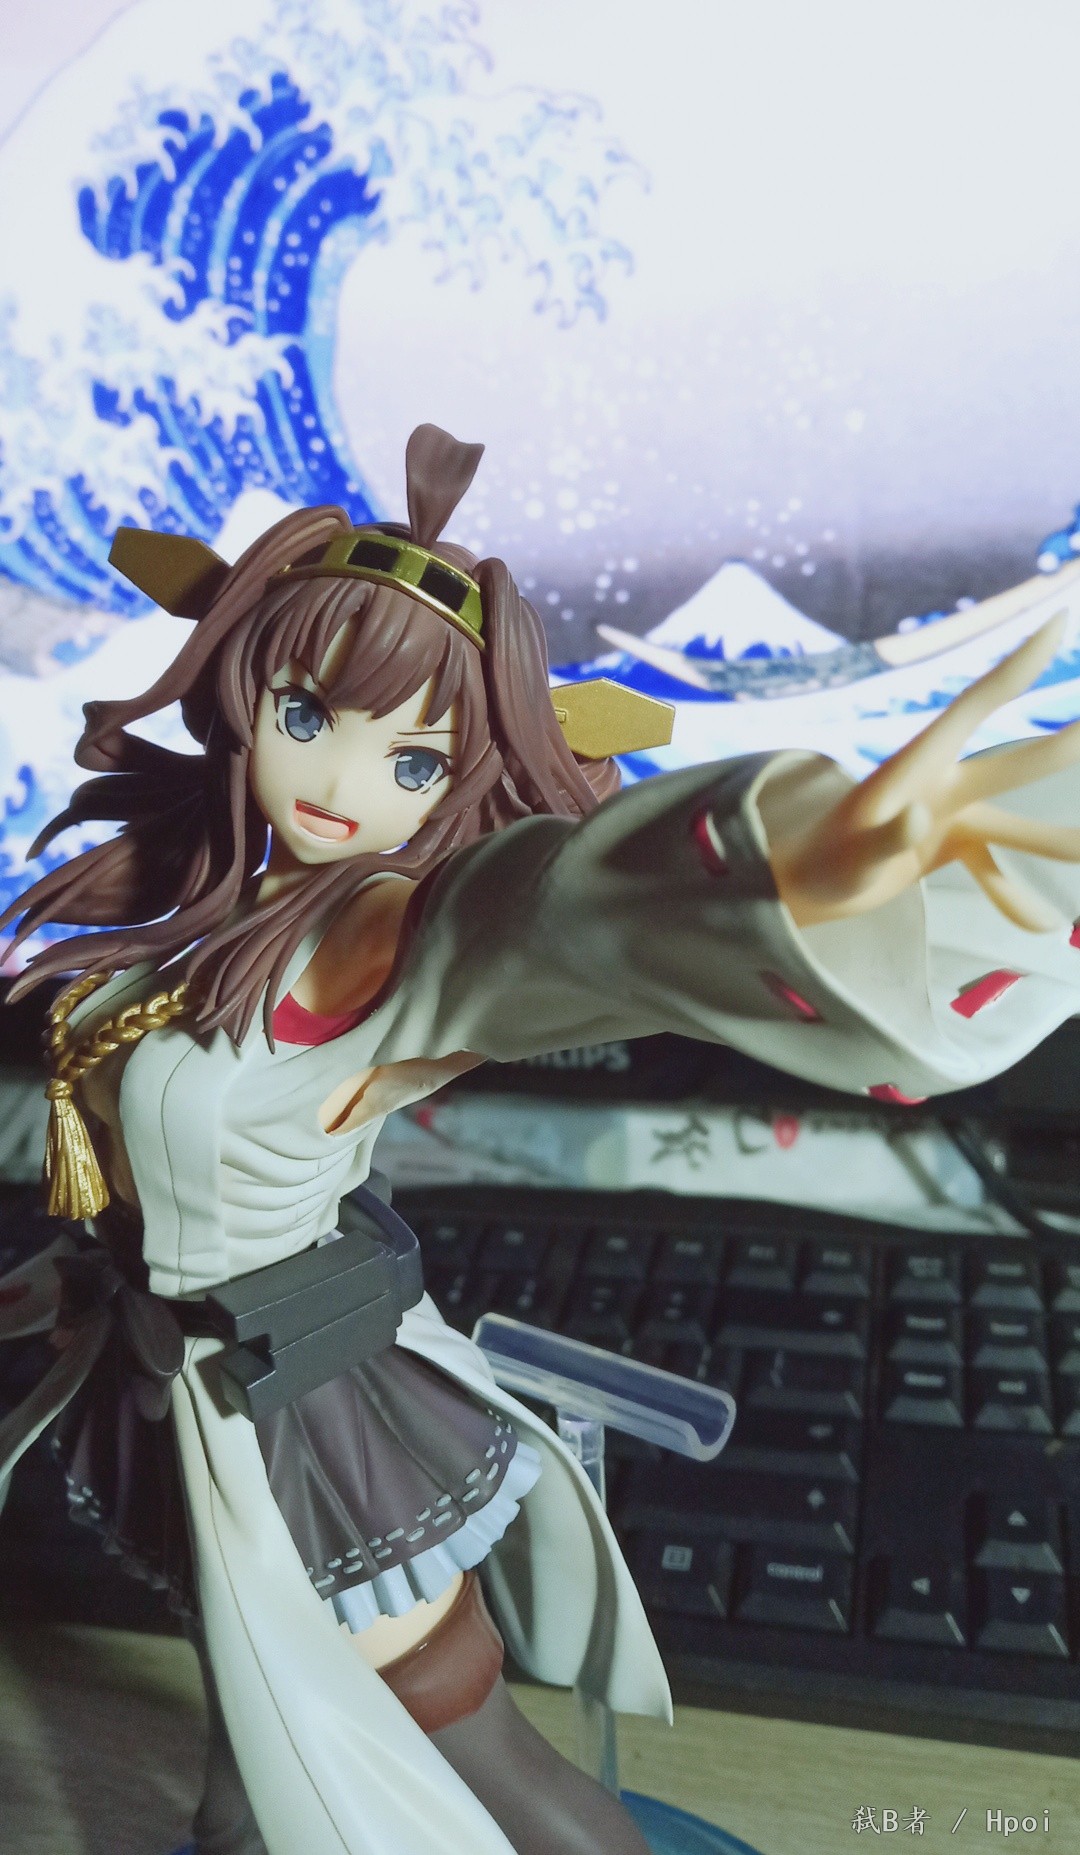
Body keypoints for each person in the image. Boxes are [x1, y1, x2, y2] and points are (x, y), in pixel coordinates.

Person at [3, 423, 1080, 1855]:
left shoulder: (377, 934)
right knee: (252, 1710)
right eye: (308, 716)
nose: (342, 783)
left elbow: (549, 909)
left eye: (415, 757)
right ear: (244, 691)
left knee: (469, 1743)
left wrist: (783, 874)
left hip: (297, 1414)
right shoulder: (222, 913)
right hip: (174, 1391)